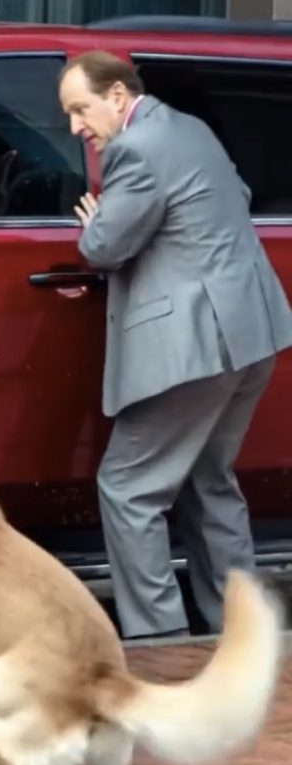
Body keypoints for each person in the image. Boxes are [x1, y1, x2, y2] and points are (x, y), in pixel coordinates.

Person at [58, 51, 292, 639]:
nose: (74, 127)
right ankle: (243, 635)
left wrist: (95, 224)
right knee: (209, 480)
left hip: (193, 345)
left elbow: (105, 248)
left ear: (117, 96)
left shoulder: (134, 149)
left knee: (129, 488)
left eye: (80, 109)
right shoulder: (189, 127)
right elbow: (234, 195)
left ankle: (158, 642)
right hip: (251, 331)